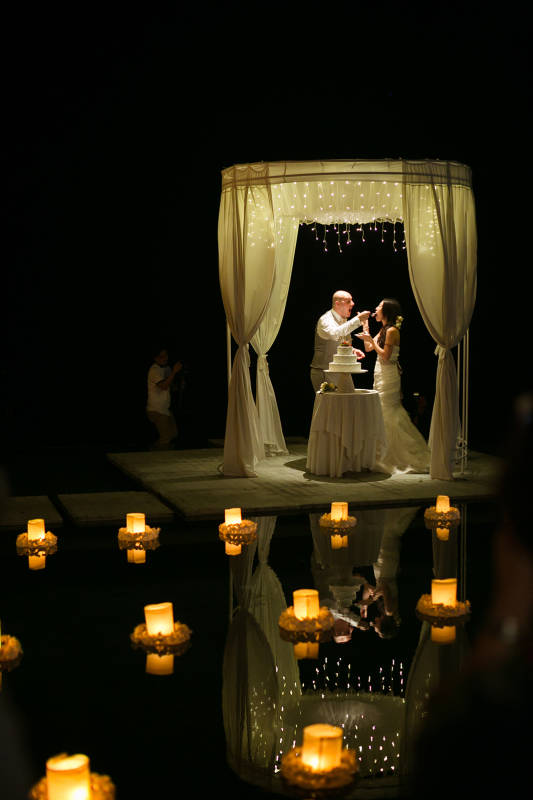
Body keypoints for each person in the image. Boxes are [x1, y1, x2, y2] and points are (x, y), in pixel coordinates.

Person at [356, 298, 429, 473]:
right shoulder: (383, 329)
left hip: (389, 376)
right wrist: (365, 326)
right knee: (381, 411)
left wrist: (371, 340)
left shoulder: (392, 331)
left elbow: (386, 356)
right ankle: (383, 453)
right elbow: (368, 348)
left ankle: (397, 455)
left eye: (379, 306)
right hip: (380, 373)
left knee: (387, 411)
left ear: (387, 311)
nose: (376, 308)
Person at [310, 290, 370, 392]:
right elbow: (335, 334)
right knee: (330, 402)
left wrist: (352, 350)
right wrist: (358, 319)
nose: (353, 304)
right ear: (337, 304)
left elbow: (342, 342)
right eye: (348, 301)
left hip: (341, 372)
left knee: (347, 399)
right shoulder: (325, 319)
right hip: (324, 372)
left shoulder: (343, 320)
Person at [146, 346, 182, 450]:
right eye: (161, 356)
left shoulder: (167, 369)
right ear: (155, 358)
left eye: (166, 355)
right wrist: (174, 372)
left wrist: (178, 386)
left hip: (165, 409)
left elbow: (170, 386)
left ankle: (154, 449)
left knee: (173, 434)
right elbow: (163, 386)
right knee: (166, 438)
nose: (165, 358)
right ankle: (156, 452)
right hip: (156, 410)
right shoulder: (154, 370)